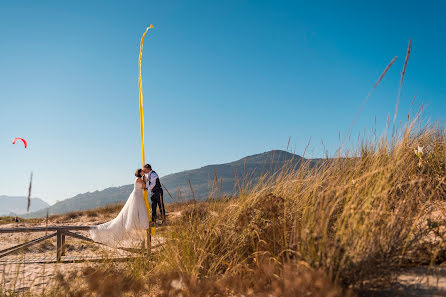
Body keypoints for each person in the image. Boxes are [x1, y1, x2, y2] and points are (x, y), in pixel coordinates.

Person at [89, 168, 150, 247]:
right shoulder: (138, 179)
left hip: (138, 195)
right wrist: (144, 177)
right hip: (137, 196)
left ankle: (137, 222)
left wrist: (144, 178)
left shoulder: (139, 179)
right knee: (134, 209)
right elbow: (144, 185)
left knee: (136, 210)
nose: (143, 172)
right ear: (139, 173)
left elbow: (144, 186)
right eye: (142, 171)